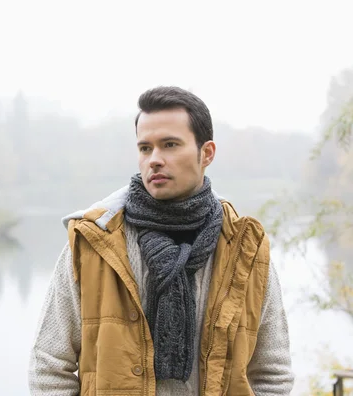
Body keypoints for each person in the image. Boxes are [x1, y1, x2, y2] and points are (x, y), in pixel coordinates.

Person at [27, 86, 294, 395]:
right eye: (145, 148)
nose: (154, 159)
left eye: (169, 145)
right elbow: (49, 366)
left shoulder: (244, 247)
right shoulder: (94, 241)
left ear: (206, 153)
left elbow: (272, 373)